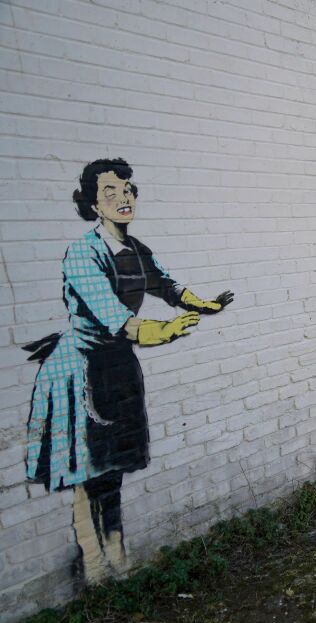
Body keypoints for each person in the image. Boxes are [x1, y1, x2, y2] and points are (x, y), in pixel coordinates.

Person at [23, 158, 234, 584]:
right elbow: (117, 318)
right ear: (92, 204)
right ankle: (94, 561)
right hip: (80, 373)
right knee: (85, 471)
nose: (124, 198)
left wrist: (202, 303)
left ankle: (118, 552)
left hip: (118, 369)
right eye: (110, 192)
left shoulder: (136, 249)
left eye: (128, 189)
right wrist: (168, 330)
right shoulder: (83, 254)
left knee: (113, 464)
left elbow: (167, 285)